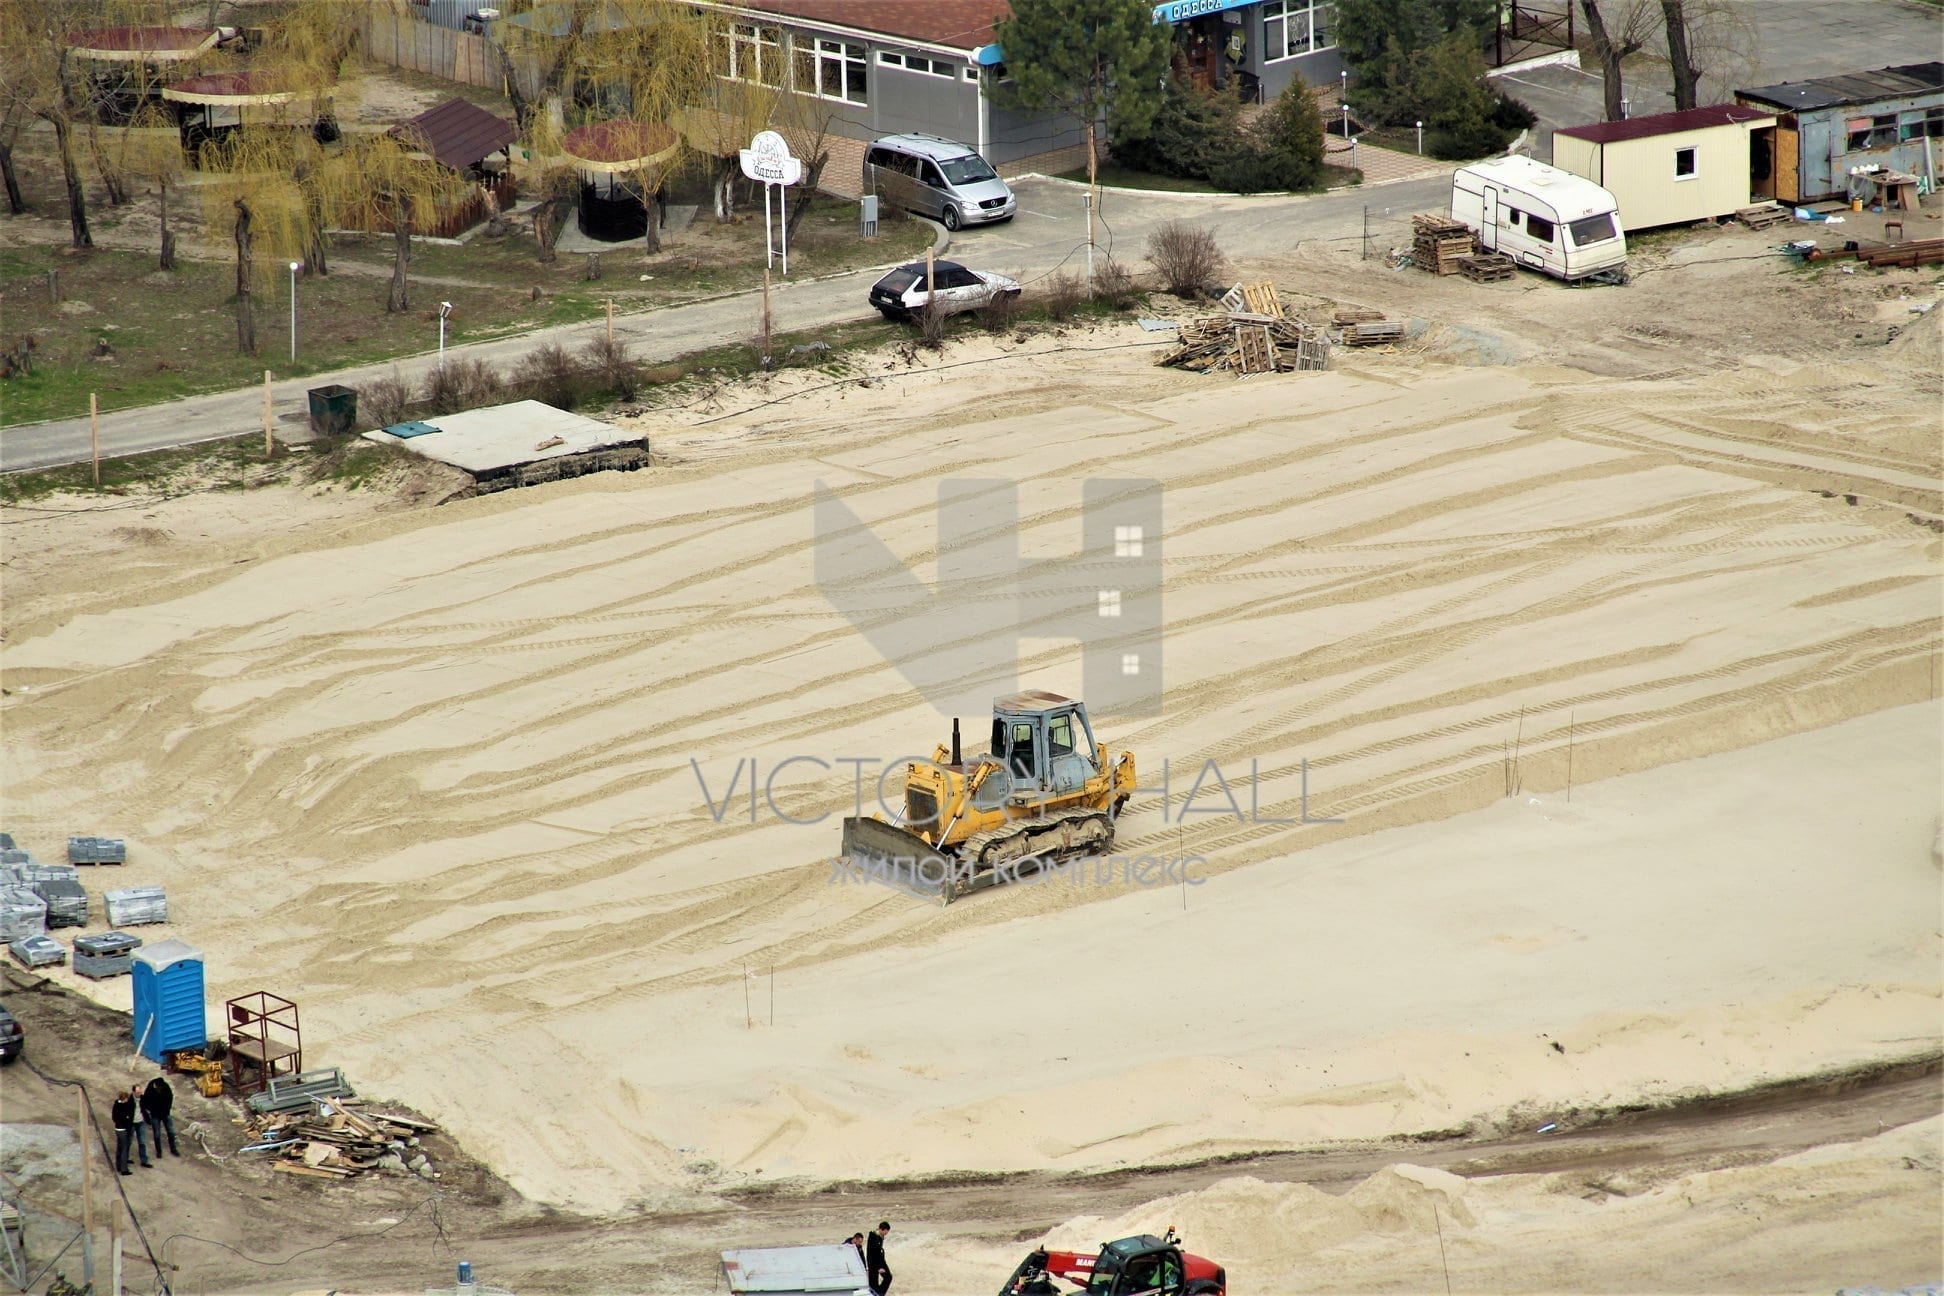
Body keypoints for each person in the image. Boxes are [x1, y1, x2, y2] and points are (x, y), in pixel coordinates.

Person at [142, 1070, 179, 1158]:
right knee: (157, 1134)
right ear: (156, 1086)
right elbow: (145, 1100)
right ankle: (159, 1151)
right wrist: (150, 1110)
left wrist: (167, 1110)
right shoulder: (150, 1088)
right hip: (155, 1114)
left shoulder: (165, 1087)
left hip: (165, 1113)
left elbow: (170, 1098)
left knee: (171, 1131)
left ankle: (173, 1149)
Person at [110, 1087, 148, 1174]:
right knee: (124, 1149)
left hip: (118, 1129)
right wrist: (126, 1118)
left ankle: (119, 1166)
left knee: (119, 1148)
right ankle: (124, 1169)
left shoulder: (116, 1104)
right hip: (123, 1129)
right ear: (124, 1099)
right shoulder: (122, 1106)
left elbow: (115, 1117)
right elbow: (123, 1117)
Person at [866, 1221, 892, 1296]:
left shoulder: (880, 1236)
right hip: (873, 1263)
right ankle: (878, 1294)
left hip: (880, 1261)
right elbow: (874, 1254)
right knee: (873, 1284)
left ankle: (879, 1293)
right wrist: (879, 1267)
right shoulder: (874, 1237)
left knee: (888, 1277)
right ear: (881, 1229)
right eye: (886, 1232)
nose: (886, 1234)